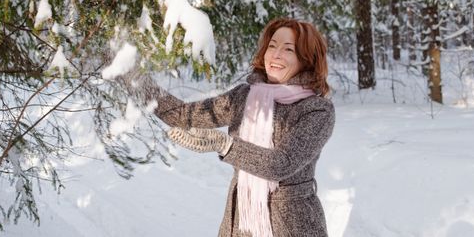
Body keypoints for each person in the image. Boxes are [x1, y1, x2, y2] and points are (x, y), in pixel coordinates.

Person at [142, 17, 335, 237]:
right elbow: (183, 115)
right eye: (272, 46)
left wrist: (225, 145)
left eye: (288, 49)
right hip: (240, 222)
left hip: (293, 225)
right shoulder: (244, 97)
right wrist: (134, 80)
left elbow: (282, 164)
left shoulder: (316, 110)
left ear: (306, 59)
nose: (276, 54)